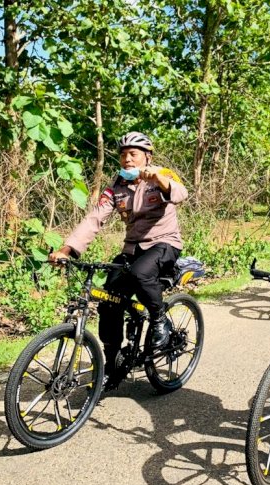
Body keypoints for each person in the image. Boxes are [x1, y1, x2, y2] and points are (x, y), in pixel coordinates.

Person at [49, 131, 188, 390]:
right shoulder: (116, 188)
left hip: (164, 244)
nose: (127, 159)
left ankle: (158, 321)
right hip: (133, 249)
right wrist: (67, 249)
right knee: (108, 300)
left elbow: (181, 194)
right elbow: (94, 219)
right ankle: (111, 367)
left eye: (133, 154)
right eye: (123, 155)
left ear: (147, 157)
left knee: (139, 274)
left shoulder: (163, 175)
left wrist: (158, 178)